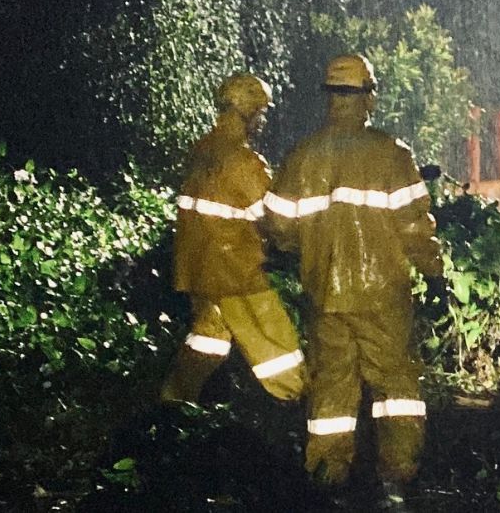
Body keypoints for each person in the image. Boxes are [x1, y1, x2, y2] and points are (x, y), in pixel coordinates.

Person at [265, 54, 442, 491]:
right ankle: (397, 480)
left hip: (325, 295)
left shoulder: (301, 157)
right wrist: (435, 273)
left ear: (329, 97)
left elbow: (279, 229)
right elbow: (415, 227)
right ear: (368, 96)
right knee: (396, 386)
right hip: (383, 297)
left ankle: (327, 475)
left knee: (331, 390)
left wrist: (306, 250)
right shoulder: (391, 154)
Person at [161, 73, 306, 404]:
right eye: (261, 111)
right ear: (245, 110)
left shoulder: (201, 150)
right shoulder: (244, 162)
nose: (263, 120)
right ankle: (296, 405)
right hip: (236, 273)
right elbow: (274, 222)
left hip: (197, 268)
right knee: (276, 345)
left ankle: (173, 406)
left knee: (209, 337)